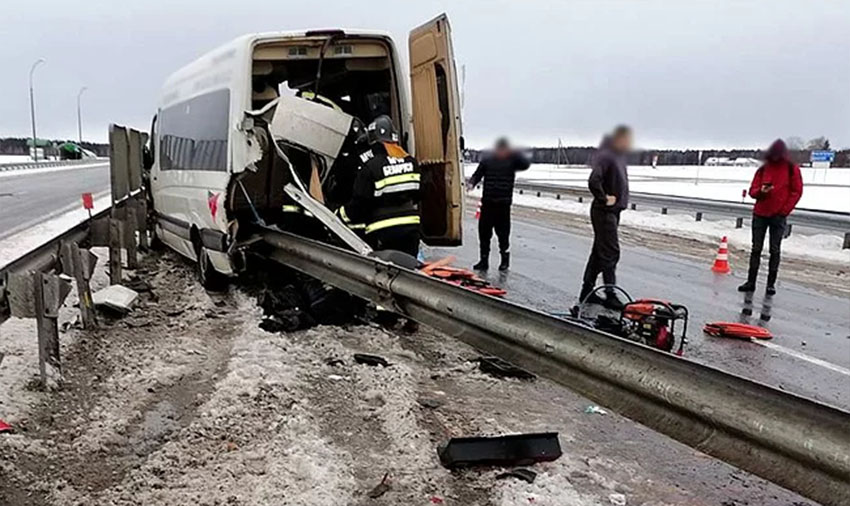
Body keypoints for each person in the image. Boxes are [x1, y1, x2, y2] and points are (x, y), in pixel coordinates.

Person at [337, 115, 421, 256]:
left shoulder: (371, 167)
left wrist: (340, 215)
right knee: (408, 270)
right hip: (411, 229)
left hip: (383, 232)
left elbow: (359, 204)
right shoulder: (412, 163)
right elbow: (419, 195)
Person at [738, 139, 803, 295]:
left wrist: (783, 211)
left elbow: (797, 192)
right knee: (756, 249)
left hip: (778, 216)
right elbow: (753, 191)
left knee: (775, 250)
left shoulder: (791, 169)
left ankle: (770, 284)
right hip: (760, 214)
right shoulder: (763, 169)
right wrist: (761, 191)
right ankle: (751, 281)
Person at [579, 125, 632, 310]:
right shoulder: (607, 155)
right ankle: (610, 294)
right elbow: (594, 180)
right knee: (611, 252)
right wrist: (603, 198)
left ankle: (587, 291)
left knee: (599, 253)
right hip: (604, 212)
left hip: (613, 212)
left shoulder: (618, 156)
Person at [467, 138, 530, 271]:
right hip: (488, 203)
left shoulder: (513, 161)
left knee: (503, 235)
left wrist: (515, 153)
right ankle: (484, 261)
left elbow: (525, 164)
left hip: (503, 205)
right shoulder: (488, 160)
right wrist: (472, 183)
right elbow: (478, 174)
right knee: (484, 234)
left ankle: (504, 261)